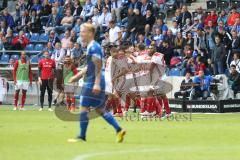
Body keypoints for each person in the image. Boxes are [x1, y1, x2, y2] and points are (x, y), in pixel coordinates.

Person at [68, 23, 125, 143]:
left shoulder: (94, 47)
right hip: (94, 81)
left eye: (83, 31)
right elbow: (90, 66)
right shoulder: (91, 46)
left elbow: (98, 64)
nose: (81, 34)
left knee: (84, 107)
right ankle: (119, 129)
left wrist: (97, 83)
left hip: (92, 82)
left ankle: (82, 136)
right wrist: (77, 76)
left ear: (90, 33)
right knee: (100, 109)